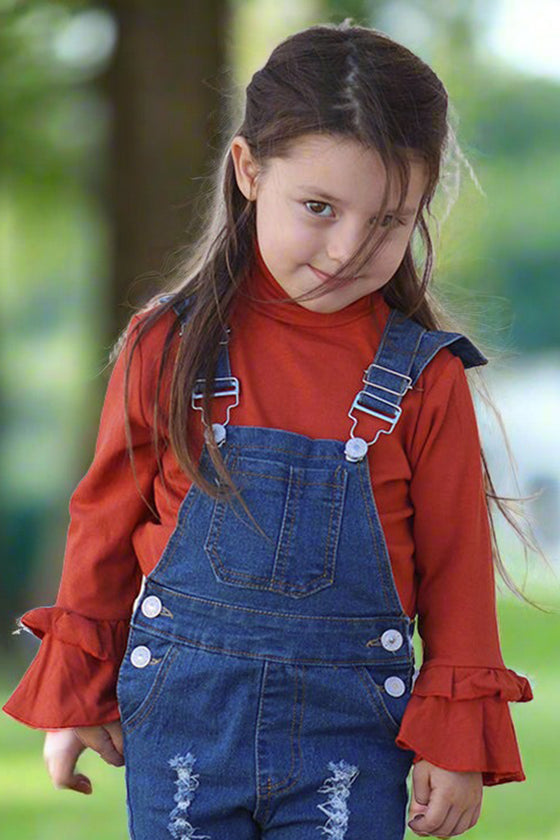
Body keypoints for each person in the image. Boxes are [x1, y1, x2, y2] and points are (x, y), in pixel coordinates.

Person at [3, 20, 535, 840]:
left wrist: (456, 740)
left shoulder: (427, 382)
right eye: (318, 207)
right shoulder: (167, 345)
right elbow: (104, 528)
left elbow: (460, 570)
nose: (347, 248)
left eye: (389, 221)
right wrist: (76, 692)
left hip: (351, 743)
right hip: (183, 727)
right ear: (249, 170)